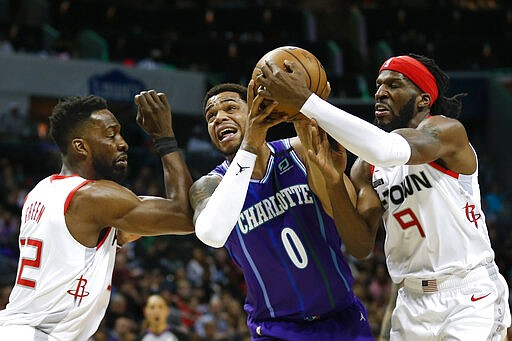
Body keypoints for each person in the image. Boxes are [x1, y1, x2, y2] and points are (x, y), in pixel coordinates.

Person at [255, 53, 511, 340]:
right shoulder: (366, 168)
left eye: (394, 84)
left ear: (423, 99)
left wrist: (307, 102)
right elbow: (360, 245)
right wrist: (334, 181)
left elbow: (388, 149)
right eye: (378, 85)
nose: (380, 92)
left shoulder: (447, 132)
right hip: (411, 300)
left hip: (467, 295)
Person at [0, 90, 194, 340]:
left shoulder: (40, 192)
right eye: (111, 134)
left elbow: (121, 233)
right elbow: (185, 216)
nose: (123, 143)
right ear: (81, 147)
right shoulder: (92, 196)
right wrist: (164, 136)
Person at [189, 82, 374, 340]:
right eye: (211, 116)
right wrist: (251, 144)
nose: (219, 118)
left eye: (230, 108)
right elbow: (210, 232)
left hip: (342, 319)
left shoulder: (299, 149)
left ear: (254, 111)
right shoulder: (211, 185)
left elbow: (347, 216)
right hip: (275, 329)